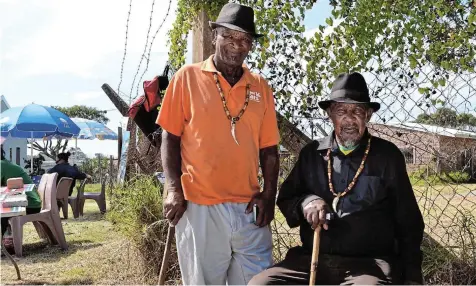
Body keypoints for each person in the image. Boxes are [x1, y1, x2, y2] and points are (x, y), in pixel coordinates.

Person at [249, 72, 425, 285]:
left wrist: (413, 276)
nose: (349, 119)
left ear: (368, 115)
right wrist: (306, 202)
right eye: (341, 111)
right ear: (330, 114)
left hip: (368, 266)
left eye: (357, 111)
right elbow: (286, 198)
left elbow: (409, 222)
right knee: (261, 284)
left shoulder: (387, 156)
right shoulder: (311, 154)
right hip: (312, 259)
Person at [157, 3, 280, 285]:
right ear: (215, 37)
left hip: (249, 208)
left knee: (258, 280)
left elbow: (269, 149)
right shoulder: (186, 78)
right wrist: (174, 188)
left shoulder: (260, 86)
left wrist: (269, 195)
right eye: (229, 37)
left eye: (245, 39)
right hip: (200, 205)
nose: (237, 46)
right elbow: (170, 137)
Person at [1, 146, 42, 236]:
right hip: (32, 202)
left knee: (2, 215)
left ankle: (4, 241)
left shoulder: (1, 165)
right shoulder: (6, 164)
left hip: (28, 204)